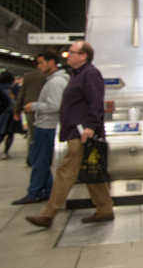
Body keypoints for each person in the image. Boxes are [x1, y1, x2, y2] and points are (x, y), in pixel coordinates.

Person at [26, 41, 114, 227]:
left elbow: (96, 102)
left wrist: (90, 126)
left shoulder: (90, 73)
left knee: (65, 172)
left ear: (83, 56)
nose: (68, 55)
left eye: (72, 52)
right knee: (91, 172)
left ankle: (48, 214)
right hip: (77, 131)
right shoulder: (77, 74)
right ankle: (104, 209)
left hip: (81, 132)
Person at [13, 52, 68, 205]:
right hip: (45, 125)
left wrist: (33, 106)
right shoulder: (53, 80)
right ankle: (48, 190)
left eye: (40, 63)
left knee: (39, 160)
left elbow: (54, 105)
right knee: (40, 159)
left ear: (51, 62)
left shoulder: (55, 82)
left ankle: (34, 192)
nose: (38, 66)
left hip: (47, 125)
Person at [13, 54, 47, 155]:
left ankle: (31, 155)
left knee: (31, 133)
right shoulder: (48, 75)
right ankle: (43, 155)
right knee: (45, 132)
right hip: (45, 108)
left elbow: (21, 93)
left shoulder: (28, 76)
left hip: (29, 107)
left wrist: (17, 111)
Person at [0, 71, 18, 160]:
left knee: (1, 133)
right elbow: (13, 102)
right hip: (10, 114)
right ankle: (5, 153)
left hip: (2, 113)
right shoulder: (13, 88)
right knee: (10, 133)